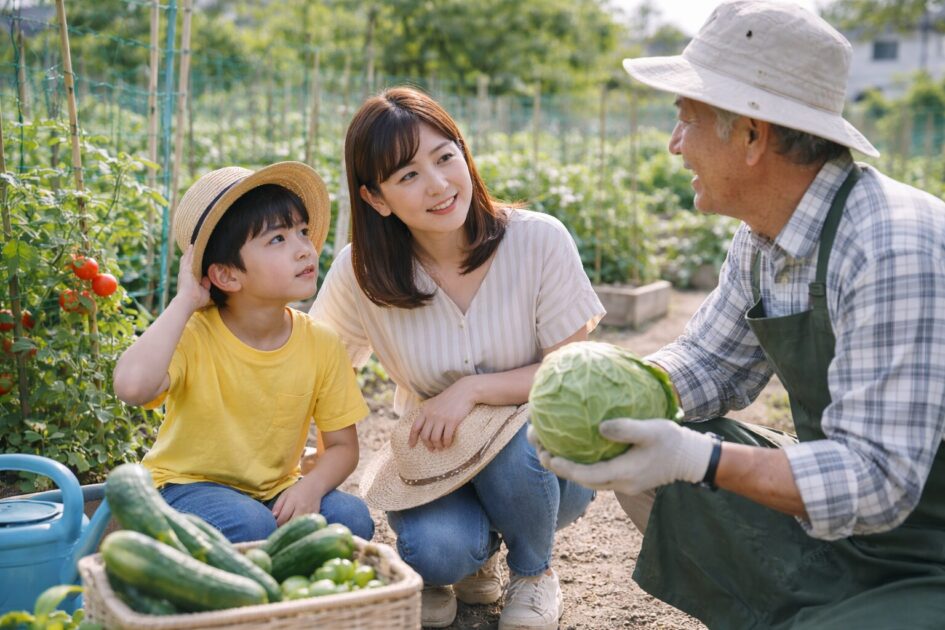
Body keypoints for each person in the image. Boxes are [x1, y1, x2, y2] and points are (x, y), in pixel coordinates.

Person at [529, 1, 945, 628]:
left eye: (685, 119)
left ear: (752, 135)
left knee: (684, 458)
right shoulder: (763, 235)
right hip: (846, 529)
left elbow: (879, 480)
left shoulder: (890, 247)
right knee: (646, 457)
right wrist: (607, 400)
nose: (674, 145)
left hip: (924, 545)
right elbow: (710, 362)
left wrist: (699, 459)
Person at [310, 86, 603, 629]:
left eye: (445, 157)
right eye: (408, 175)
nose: (439, 184)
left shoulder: (538, 241)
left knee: (519, 446)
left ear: (465, 155)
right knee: (435, 551)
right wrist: (307, 462)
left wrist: (471, 391)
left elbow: (571, 370)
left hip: (543, 458)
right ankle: (472, 559)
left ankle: (534, 573)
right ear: (376, 198)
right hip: (438, 458)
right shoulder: (361, 272)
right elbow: (322, 370)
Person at [113, 162, 374, 544]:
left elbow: (342, 447)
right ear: (227, 275)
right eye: (278, 239)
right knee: (251, 525)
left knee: (351, 518)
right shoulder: (194, 333)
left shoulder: (321, 343)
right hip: (184, 489)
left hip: (270, 494)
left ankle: (269, 573)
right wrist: (185, 301)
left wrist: (311, 486)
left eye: (302, 232)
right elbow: (131, 387)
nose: (304, 249)